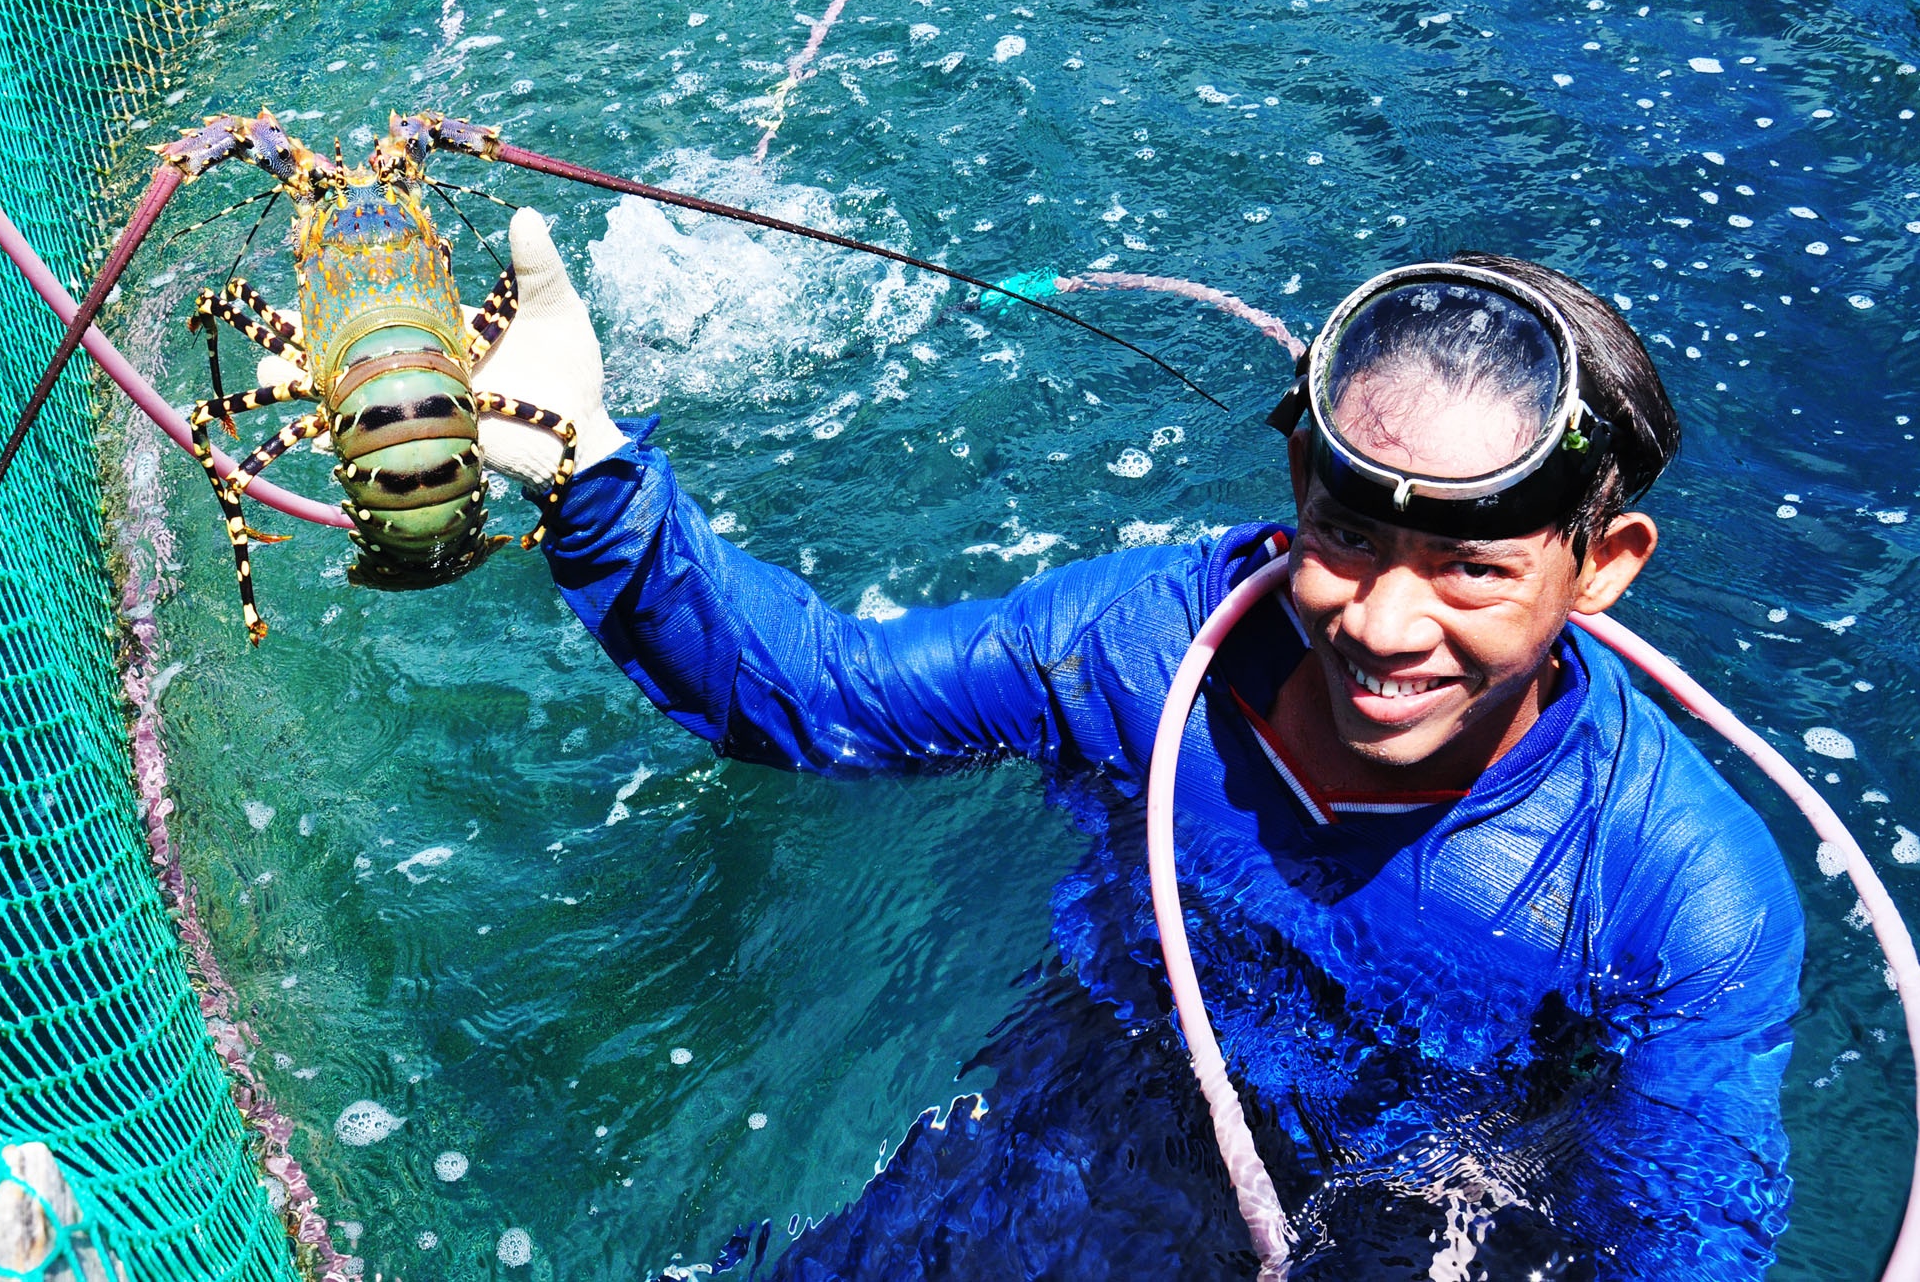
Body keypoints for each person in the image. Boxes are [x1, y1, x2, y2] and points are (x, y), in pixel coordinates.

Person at [469, 208, 1805, 1280]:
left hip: (1423, 1224)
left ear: (1603, 562)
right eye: (1348, 538)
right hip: (1093, 1112)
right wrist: (590, 469)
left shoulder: (1681, 894)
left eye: (1471, 571)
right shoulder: (1150, 648)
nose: (1388, 622)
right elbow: (819, 697)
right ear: (1298, 491)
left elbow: (1680, 1238)